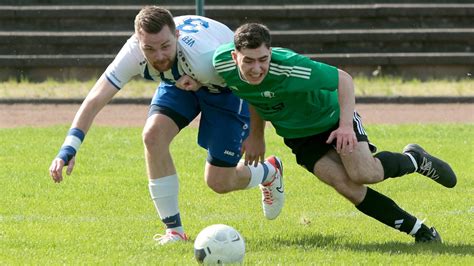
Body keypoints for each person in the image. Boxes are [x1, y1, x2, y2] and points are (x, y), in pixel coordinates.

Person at [48, 7, 285, 245]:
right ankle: (174, 231)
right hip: (178, 82)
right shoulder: (133, 53)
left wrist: (257, 135)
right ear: (138, 42)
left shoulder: (207, 59)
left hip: (225, 89)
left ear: (177, 36)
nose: (159, 56)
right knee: (153, 135)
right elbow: (95, 99)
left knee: (219, 182)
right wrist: (68, 149)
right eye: (149, 48)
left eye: (165, 46)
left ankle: (270, 171)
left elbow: (255, 85)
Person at [211, 23, 457, 243]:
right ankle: (421, 232)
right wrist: (257, 135)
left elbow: (344, 79)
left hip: (334, 119)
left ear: (271, 53)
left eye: (263, 59)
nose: (257, 68)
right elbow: (254, 95)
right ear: (235, 57)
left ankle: (415, 159)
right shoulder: (220, 63)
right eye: (249, 61)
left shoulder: (292, 68)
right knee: (346, 186)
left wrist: (345, 126)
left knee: (364, 173)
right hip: (298, 136)